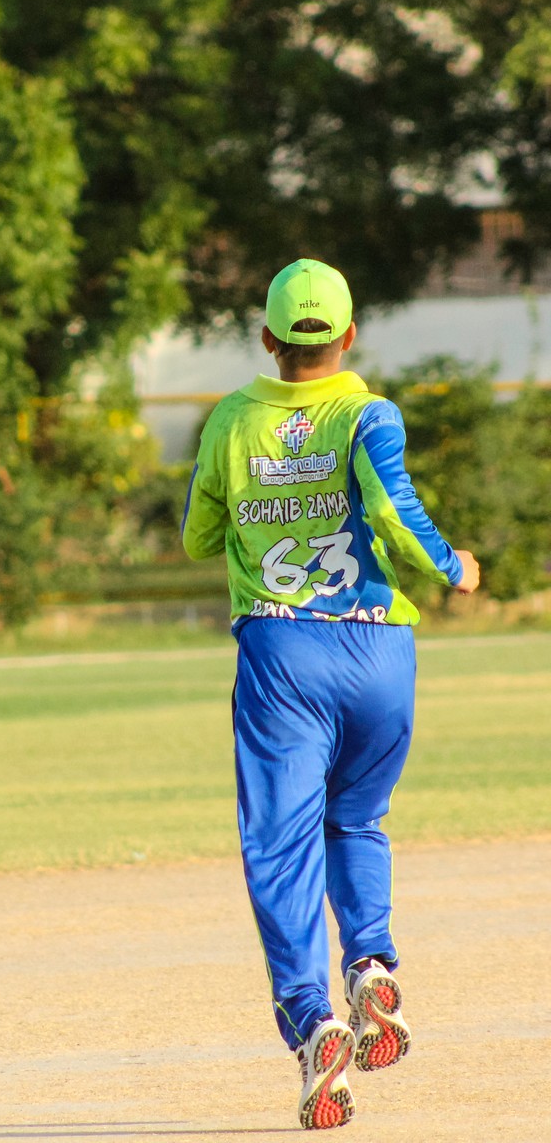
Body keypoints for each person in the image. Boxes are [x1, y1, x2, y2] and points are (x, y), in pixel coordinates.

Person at [181, 258, 480, 1130]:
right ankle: (372, 967)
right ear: (349, 335)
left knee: (280, 846)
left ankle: (314, 1021)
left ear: (267, 338)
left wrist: (261, 503)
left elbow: (198, 534)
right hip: (381, 650)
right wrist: (452, 566)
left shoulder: (230, 419)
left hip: (284, 652)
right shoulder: (369, 412)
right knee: (356, 819)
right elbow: (390, 507)